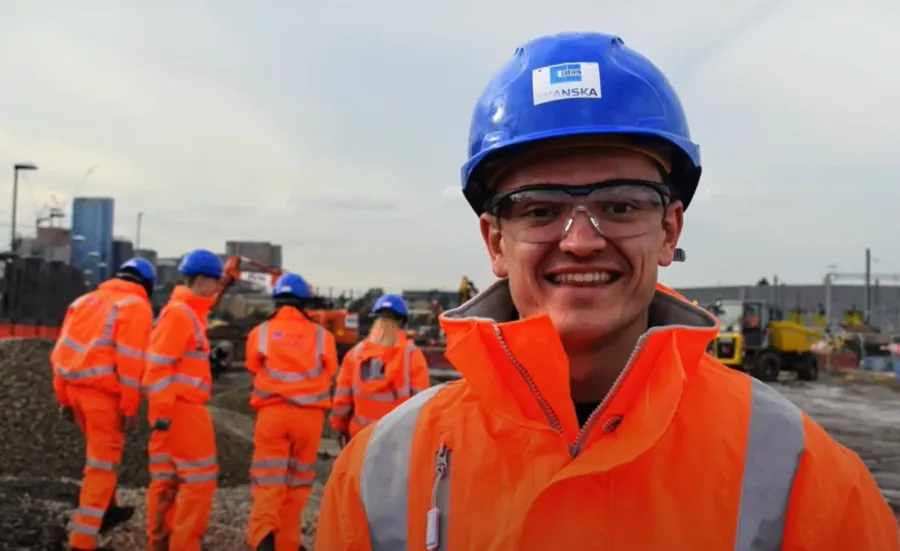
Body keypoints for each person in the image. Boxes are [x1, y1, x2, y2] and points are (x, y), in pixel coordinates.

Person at [316, 32, 900, 550]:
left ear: (669, 231)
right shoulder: (379, 474)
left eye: (619, 205)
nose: (580, 242)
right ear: (495, 242)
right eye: (540, 209)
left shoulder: (805, 476)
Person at [50, 257, 156, 551]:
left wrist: (63, 397)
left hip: (74, 389)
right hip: (103, 398)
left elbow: (61, 352)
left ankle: (108, 509)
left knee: (99, 455)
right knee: (102, 465)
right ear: (147, 286)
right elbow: (131, 365)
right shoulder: (136, 308)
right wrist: (130, 409)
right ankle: (83, 539)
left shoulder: (83, 301)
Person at [245, 273, 339, 551]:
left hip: (272, 415)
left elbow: (253, 365)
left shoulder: (260, 332)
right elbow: (330, 370)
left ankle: (263, 539)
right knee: (296, 486)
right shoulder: (322, 336)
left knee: (268, 483)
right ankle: (287, 544)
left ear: (276, 300)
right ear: (305, 302)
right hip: (308, 418)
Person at [142, 249, 222, 551]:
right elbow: (158, 366)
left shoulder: (186, 313)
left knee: (166, 479)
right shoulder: (181, 314)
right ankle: (184, 544)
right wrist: (164, 413)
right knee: (199, 481)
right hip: (182, 410)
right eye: (215, 281)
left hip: (172, 409)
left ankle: (160, 541)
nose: (217, 288)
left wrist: (162, 415)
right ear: (200, 279)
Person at [329, 294, 430, 448]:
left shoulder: (355, 355)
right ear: (402, 322)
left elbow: (341, 403)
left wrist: (340, 427)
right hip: (399, 441)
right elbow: (423, 403)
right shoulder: (411, 354)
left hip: (361, 439)